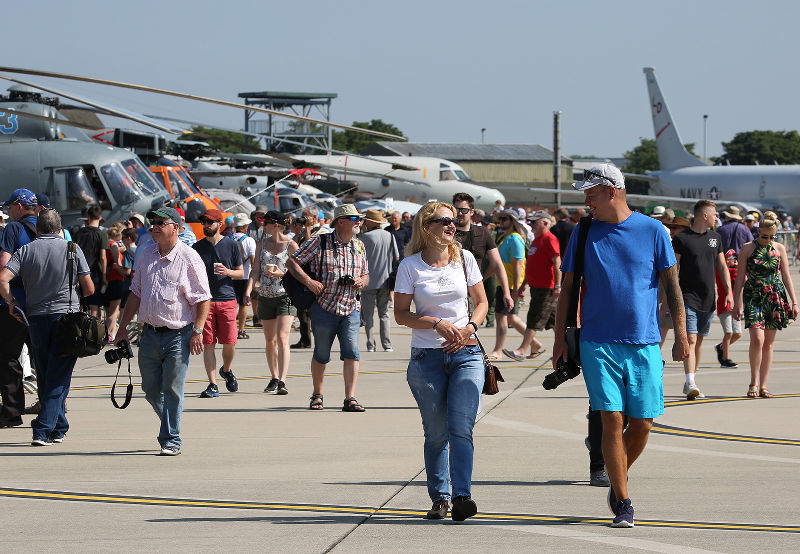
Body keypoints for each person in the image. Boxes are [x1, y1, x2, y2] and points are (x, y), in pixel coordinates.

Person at [554, 163, 689, 528]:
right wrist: (559, 340)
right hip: (598, 342)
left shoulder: (654, 231)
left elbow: (673, 287)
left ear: (612, 191)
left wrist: (682, 335)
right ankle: (624, 501)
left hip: (645, 342)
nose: (587, 202)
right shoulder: (583, 233)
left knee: (643, 423)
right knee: (612, 419)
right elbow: (567, 290)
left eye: (592, 194)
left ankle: (617, 480)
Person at [394, 201, 488, 522]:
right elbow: (401, 315)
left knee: (461, 427)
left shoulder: (465, 259)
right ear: (426, 227)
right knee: (436, 433)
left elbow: (482, 302)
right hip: (427, 357)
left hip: (467, 353)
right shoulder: (409, 266)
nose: (451, 225)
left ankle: (462, 495)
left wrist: (469, 328)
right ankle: (440, 497)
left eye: (453, 221)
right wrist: (436, 323)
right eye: (443, 221)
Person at [116, 207, 211, 455]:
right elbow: (135, 292)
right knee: (150, 389)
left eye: (161, 222)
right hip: (148, 334)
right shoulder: (146, 254)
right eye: (153, 222)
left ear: (176, 228)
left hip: (178, 335)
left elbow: (203, 298)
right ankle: (171, 422)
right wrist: (122, 327)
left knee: (172, 389)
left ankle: (170, 439)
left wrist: (198, 331)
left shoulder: (190, 258)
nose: (154, 226)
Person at [0, 209, 94, 445]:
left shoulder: (26, 250)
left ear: (38, 229)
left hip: (37, 318)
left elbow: (3, 278)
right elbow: (89, 288)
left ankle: (59, 426)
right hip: (66, 318)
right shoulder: (71, 249)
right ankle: (42, 429)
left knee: (45, 372)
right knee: (59, 374)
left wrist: (12, 303)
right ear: (60, 229)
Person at [287, 204, 369, 412]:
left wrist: (361, 281)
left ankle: (350, 398)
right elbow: (292, 263)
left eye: (359, 219)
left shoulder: (359, 245)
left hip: (351, 307)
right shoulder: (320, 242)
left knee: (352, 353)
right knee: (321, 353)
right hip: (324, 307)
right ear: (341, 221)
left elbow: (367, 274)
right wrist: (308, 282)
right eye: (354, 219)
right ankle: (317, 394)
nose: (358, 222)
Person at [672, 200, 732, 399]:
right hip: (687, 296)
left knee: (698, 341)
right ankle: (690, 382)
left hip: (708, 298)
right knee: (690, 338)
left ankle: (691, 378)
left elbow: (722, 266)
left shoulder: (716, 238)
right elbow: (672, 270)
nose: (717, 218)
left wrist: (729, 292)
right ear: (704, 215)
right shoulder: (682, 239)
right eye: (715, 214)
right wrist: (667, 296)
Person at [733, 216, 798, 398]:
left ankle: (763, 385)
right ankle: (753, 382)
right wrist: (736, 303)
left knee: (768, 343)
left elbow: (786, 276)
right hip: (753, 295)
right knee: (757, 339)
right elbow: (739, 279)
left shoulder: (779, 249)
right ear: (758, 231)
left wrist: (794, 301)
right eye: (765, 237)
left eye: (772, 237)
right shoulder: (747, 249)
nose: (768, 240)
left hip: (774, 296)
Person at [192, 208, 244, 398]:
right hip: (205, 301)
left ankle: (227, 370)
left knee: (230, 342)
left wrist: (227, 272)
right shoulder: (197, 248)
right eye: (204, 222)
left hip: (228, 299)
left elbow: (241, 273)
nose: (206, 225)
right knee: (209, 343)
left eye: (210, 222)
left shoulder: (231, 245)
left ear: (219, 224)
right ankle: (212, 384)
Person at [0, 189, 40, 428]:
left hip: (15, 303)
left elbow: (4, 263)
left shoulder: (13, 229)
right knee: (43, 357)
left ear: (18, 206)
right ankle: (50, 407)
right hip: (44, 304)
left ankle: (12, 412)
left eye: (10, 207)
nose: (8, 212)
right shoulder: (51, 228)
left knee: (7, 357)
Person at [249, 211, 297, 394]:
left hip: (285, 295)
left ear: (275, 225)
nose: (263, 226)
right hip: (265, 295)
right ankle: (274, 377)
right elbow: (255, 270)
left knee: (283, 337)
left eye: (266, 223)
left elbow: (299, 271)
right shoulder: (261, 244)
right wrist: (252, 287)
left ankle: (283, 381)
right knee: (270, 341)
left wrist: (281, 273)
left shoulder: (291, 245)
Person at [504, 210, 560, 361]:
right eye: (532, 222)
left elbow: (557, 263)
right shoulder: (536, 240)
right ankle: (565, 348)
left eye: (536, 222)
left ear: (546, 223)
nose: (532, 225)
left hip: (546, 288)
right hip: (536, 287)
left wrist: (558, 286)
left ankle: (522, 350)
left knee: (534, 318)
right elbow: (532, 266)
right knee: (555, 322)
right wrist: (523, 285)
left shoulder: (550, 239)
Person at [452, 193, 512, 324]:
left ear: (471, 212)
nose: (460, 213)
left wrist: (506, 293)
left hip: (474, 293)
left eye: (464, 210)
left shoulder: (482, 233)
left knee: (469, 332)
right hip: (452, 293)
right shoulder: (447, 233)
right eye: (456, 209)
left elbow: (497, 264)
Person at [488, 208, 527, 360]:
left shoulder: (515, 239)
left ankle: (498, 350)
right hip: (503, 283)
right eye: (500, 219)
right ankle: (534, 342)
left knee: (501, 316)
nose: (501, 221)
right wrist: (483, 278)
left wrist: (516, 289)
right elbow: (496, 264)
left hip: (510, 285)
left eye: (504, 219)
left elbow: (518, 265)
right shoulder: (504, 238)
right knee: (510, 317)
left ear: (512, 221)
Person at [360, 209, 398, 352]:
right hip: (386, 280)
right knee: (384, 314)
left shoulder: (365, 237)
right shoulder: (389, 236)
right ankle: (387, 345)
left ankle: (371, 345)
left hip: (368, 281)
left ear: (370, 222)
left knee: (368, 315)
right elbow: (396, 257)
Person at [290, 208, 323, 349]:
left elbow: (309, 248)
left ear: (314, 217)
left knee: (314, 310)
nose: (302, 219)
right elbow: (294, 248)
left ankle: (320, 340)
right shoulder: (303, 231)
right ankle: (305, 339)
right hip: (301, 273)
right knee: (301, 308)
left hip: (314, 274)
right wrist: (298, 231)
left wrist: (308, 227)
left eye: (305, 216)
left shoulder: (321, 231)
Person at [73, 205, 109, 319]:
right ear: (100, 218)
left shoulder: (78, 233)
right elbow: (103, 257)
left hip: (79, 273)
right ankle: (91, 332)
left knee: (80, 304)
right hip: (94, 273)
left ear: (88, 217)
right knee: (94, 306)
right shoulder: (101, 234)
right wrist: (104, 276)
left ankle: (79, 330)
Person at [714, 250, 741, 368]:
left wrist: (739, 266)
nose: (733, 260)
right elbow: (726, 273)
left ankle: (721, 347)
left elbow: (743, 279)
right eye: (729, 258)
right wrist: (730, 266)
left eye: (735, 258)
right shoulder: (721, 272)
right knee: (729, 333)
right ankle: (726, 359)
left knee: (738, 334)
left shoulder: (738, 271)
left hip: (735, 306)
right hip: (724, 306)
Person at [231, 213, 257, 340]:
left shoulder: (228, 239)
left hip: (229, 276)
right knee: (243, 304)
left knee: (231, 305)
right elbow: (253, 260)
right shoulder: (249, 240)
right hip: (244, 276)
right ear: (245, 226)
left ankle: (230, 330)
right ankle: (241, 330)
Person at [104, 223, 126, 343]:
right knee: (114, 310)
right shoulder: (114, 246)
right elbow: (117, 263)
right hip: (117, 278)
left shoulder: (107, 245)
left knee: (108, 310)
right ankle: (110, 334)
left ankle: (108, 333)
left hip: (108, 280)